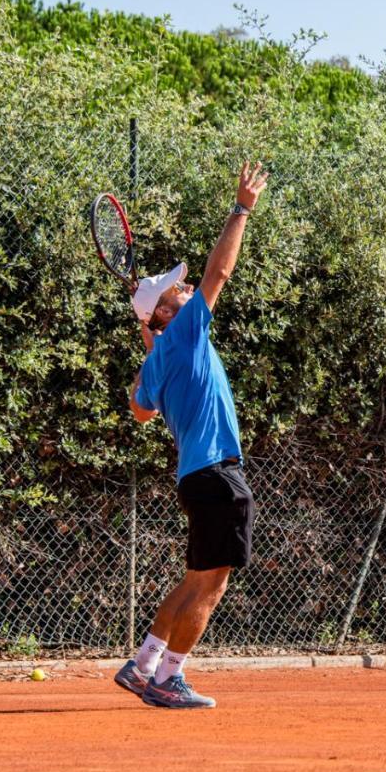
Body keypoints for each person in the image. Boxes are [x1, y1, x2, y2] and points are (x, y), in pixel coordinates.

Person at [112, 160, 269, 709]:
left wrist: (151, 348)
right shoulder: (183, 330)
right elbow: (219, 272)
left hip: (193, 477)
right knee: (213, 582)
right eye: (172, 291)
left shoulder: (156, 360)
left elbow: (140, 412)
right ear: (163, 312)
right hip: (219, 474)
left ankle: (144, 664)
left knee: (195, 577)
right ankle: (169, 678)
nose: (182, 290)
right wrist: (242, 208)